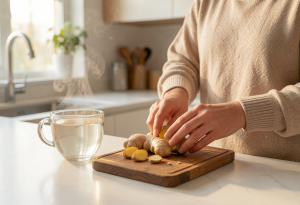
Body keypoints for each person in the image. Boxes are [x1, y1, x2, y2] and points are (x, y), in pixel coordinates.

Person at [146, 0, 300, 162]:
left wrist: (241, 113)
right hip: (214, 163)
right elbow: (182, 59)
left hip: (286, 172)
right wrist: (176, 92)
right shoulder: (205, 4)